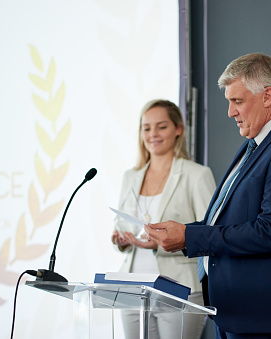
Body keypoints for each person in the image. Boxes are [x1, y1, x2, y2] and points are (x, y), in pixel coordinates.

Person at [144, 53, 271, 339]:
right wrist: (180, 232)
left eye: (237, 101)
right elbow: (227, 219)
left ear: (268, 96)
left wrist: (190, 238)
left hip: (263, 315)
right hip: (235, 309)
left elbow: (270, 232)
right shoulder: (257, 143)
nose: (230, 112)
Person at [111, 99, 216, 339]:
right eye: (146, 128)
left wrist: (161, 244)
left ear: (178, 129)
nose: (152, 134)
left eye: (161, 126)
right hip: (132, 288)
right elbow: (122, 226)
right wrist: (122, 239)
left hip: (179, 288)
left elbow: (211, 235)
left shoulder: (197, 175)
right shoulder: (131, 176)